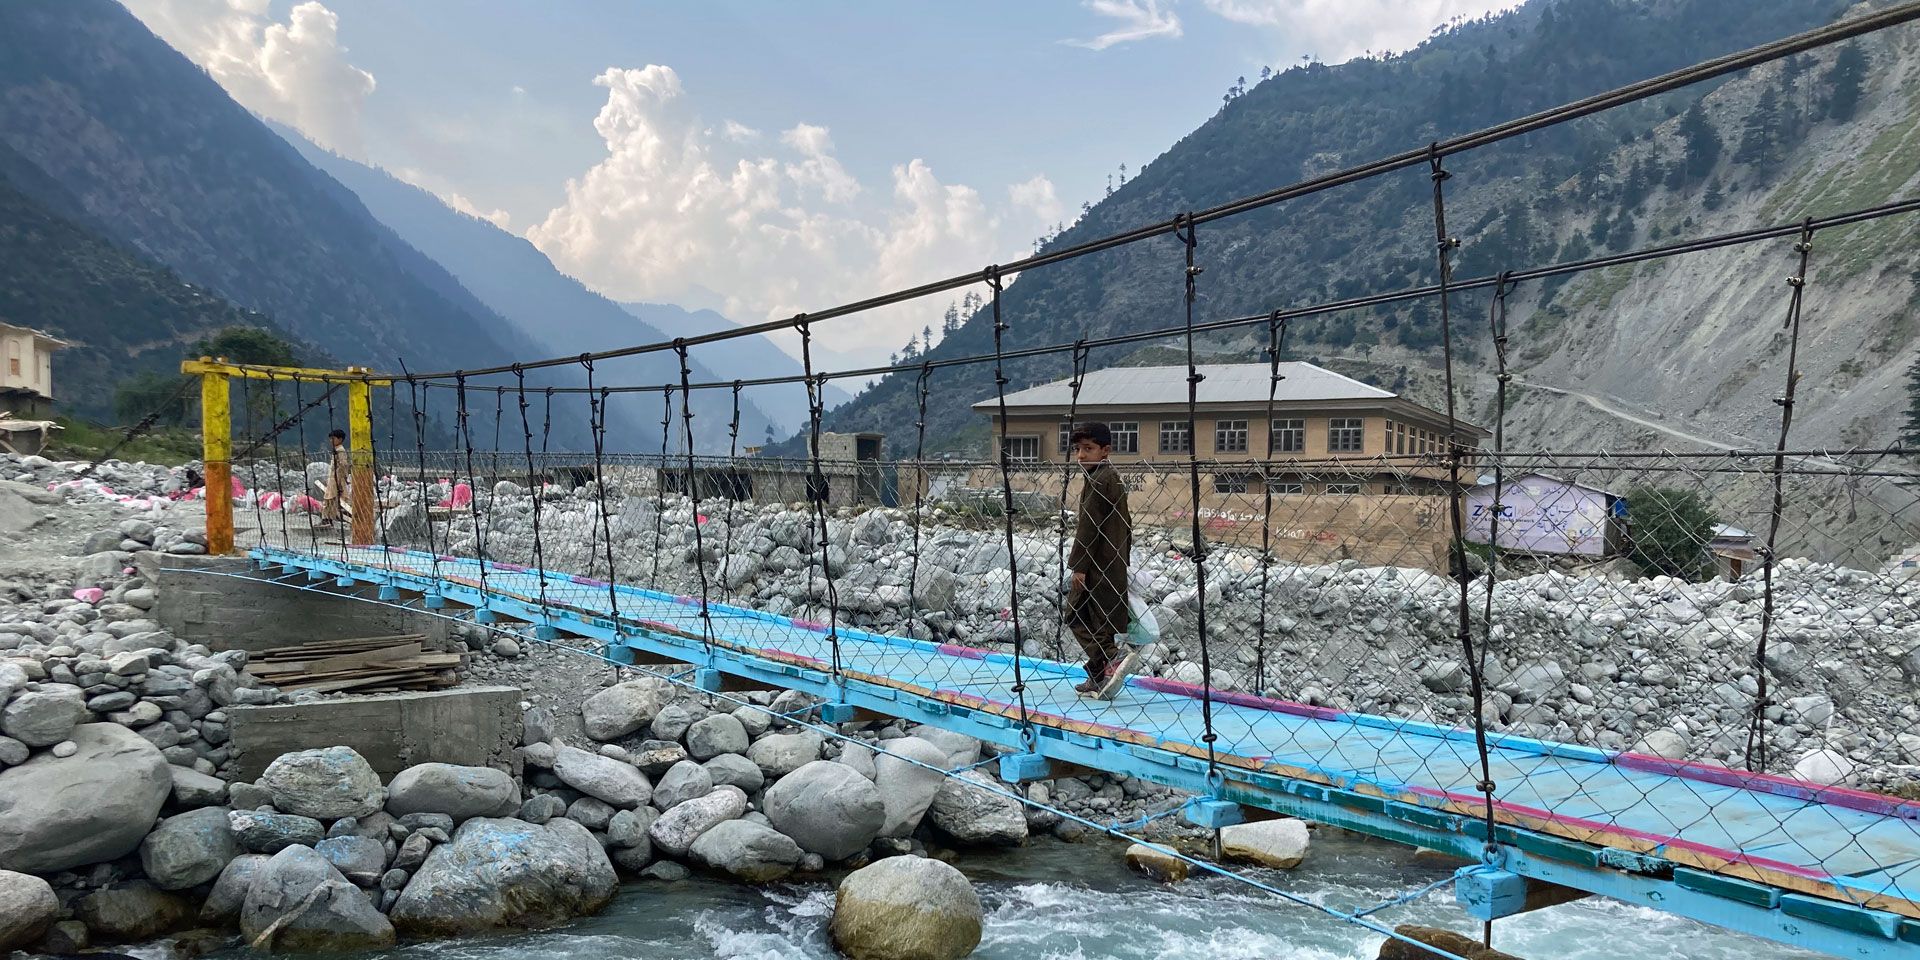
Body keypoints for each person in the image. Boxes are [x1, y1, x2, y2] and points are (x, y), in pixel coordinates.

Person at [1064, 422, 1135, 698]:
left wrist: (1079, 566)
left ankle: (1111, 657)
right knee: (1099, 619)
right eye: (1078, 449)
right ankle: (1097, 676)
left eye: (1088, 449)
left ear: (1105, 451)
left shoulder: (1098, 480)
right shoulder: (1111, 477)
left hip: (1096, 563)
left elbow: (1088, 527)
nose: (1081, 455)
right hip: (1112, 561)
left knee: (1075, 613)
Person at [320, 428, 350, 526]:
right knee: (330, 499)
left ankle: (327, 519)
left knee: (329, 499)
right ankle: (328, 519)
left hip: (335, 479)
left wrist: (340, 479)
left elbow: (343, 465)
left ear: (340, 439)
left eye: (333, 438)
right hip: (333, 478)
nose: (331, 441)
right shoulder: (336, 450)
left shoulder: (340, 451)